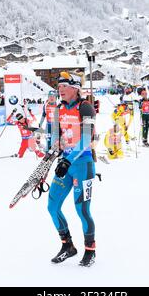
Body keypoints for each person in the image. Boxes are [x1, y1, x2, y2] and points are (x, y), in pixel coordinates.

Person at [47, 71, 97, 267]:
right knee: (52, 207)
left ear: (75, 88)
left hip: (82, 165)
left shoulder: (86, 108)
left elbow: (86, 138)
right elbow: (55, 136)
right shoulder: (58, 110)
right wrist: (55, 144)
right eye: (59, 87)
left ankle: (90, 250)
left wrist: (68, 160)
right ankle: (68, 246)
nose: (60, 90)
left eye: (64, 86)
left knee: (82, 210)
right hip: (65, 163)